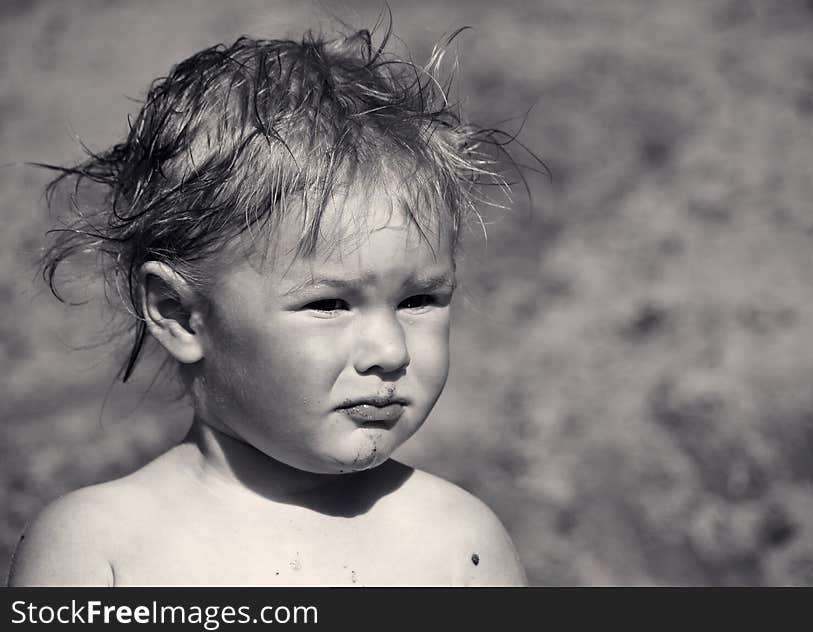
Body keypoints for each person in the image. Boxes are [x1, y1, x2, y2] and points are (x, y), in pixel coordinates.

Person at [7, 26, 528, 586]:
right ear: (180, 314)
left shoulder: (458, 545)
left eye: (419, 299)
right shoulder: (98, 549)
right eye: (329, 304)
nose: (390, 351)